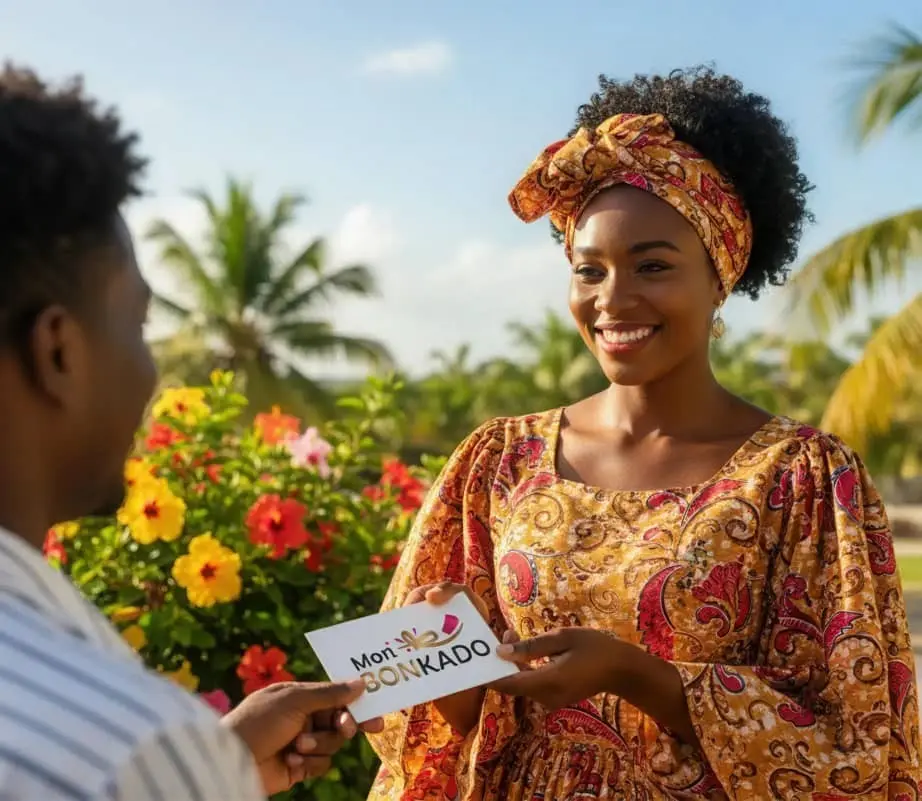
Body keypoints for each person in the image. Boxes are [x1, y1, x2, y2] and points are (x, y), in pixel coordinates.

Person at [366, 67, 921, 800]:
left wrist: (638, 676)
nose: (613, 299)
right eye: (587, 269)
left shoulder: (803, 479)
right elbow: (431, 733)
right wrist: (452, 657)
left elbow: (859, 746)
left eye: (653, 265)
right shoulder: (498, 461)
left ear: (721, 276)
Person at [0, 63, 381, 800]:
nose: (151, 372)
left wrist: (212, 766)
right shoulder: (126, 746)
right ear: (58, 351)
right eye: (139, 323)